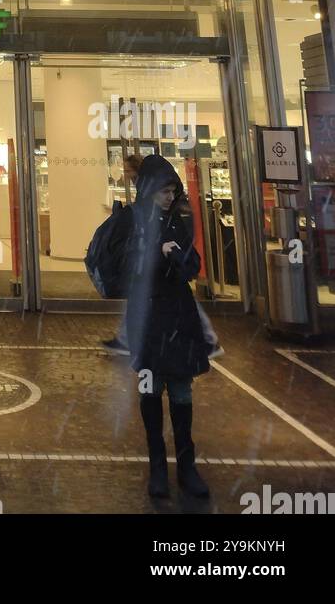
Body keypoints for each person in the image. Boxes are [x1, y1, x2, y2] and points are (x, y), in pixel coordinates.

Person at [124, 154, 211, 500]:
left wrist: (181, 259)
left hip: (177, 316)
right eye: (163, 191)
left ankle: (187, 466)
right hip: (148, 318)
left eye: (172, 190)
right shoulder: (135, 223)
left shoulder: (179, 220)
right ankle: (157, 465)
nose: (168, 196)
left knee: (181, 391)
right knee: (150, 389)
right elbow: (130, 267)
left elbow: (193, 264)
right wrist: (157, 254)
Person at [103, 152, 222, 359]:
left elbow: (177, 226)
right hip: (159, 266)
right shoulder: (148, 195)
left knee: (177, 297)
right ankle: (126, 339)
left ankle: (208, 339)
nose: (126, 173)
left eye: (129, 169)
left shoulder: (160, 196)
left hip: (166, 264)